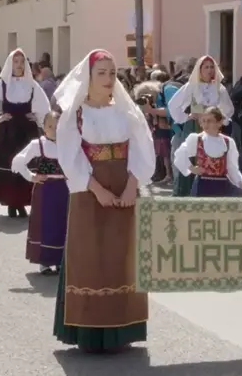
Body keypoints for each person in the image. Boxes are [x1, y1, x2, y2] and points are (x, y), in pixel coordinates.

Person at [52, 49, 155, 353]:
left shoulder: (126, 111)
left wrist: (131, 186)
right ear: (89, 77)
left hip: (124, 187)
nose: (109, 79)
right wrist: (96, 189)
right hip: (90, 191)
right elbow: (70, 156)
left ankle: (123, 328)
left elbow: (141, 148)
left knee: (122, 256)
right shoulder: (75, 114)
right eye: (102, 73)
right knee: (91, 256)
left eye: (112, 73)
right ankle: (89, 332)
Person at [0, 49, 50, 218]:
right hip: (9, 131)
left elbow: (45, 107)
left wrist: (37, 116)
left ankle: (23, 202)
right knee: (9, 166)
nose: (19, 65)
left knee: (28, 163)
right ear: (11, 64)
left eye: (21, 62)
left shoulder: (32, 84)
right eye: (16, 62)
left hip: (27, 130)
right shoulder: (2, 84)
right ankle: (11, 203)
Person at [11, 111, 68, 275]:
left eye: (58, 126)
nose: (54, 129)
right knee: (46, 223)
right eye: (50, 126)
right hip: (46, 189)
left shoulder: (69, 144)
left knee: (63, 223)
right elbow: (19, 160)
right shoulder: (38, 145)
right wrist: (31, 176)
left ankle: (60, 260)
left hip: (65, 189)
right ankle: (44, 261)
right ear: (44, 127)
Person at [167, 55, 233, 196]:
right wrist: (186, 117)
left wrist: (220, 118)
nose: (209, 70)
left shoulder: (219, 88)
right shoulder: (191, 86)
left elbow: (229, 109)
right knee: (193, 156)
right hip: (194, 127)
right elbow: (173, 104)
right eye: (206, 67)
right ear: (199, 69)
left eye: (211, 67)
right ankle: (188, 194)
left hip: (213, 129)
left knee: (212, 159)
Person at [173, 106, 242, 196]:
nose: (206, 124)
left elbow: (232, 168)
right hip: (202, 185)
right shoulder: (196, 139)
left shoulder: (228, 142)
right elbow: (180, 154)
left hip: (222, 186)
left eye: (209, 121)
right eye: (203, 121)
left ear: (219, 123)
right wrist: (192, 168)